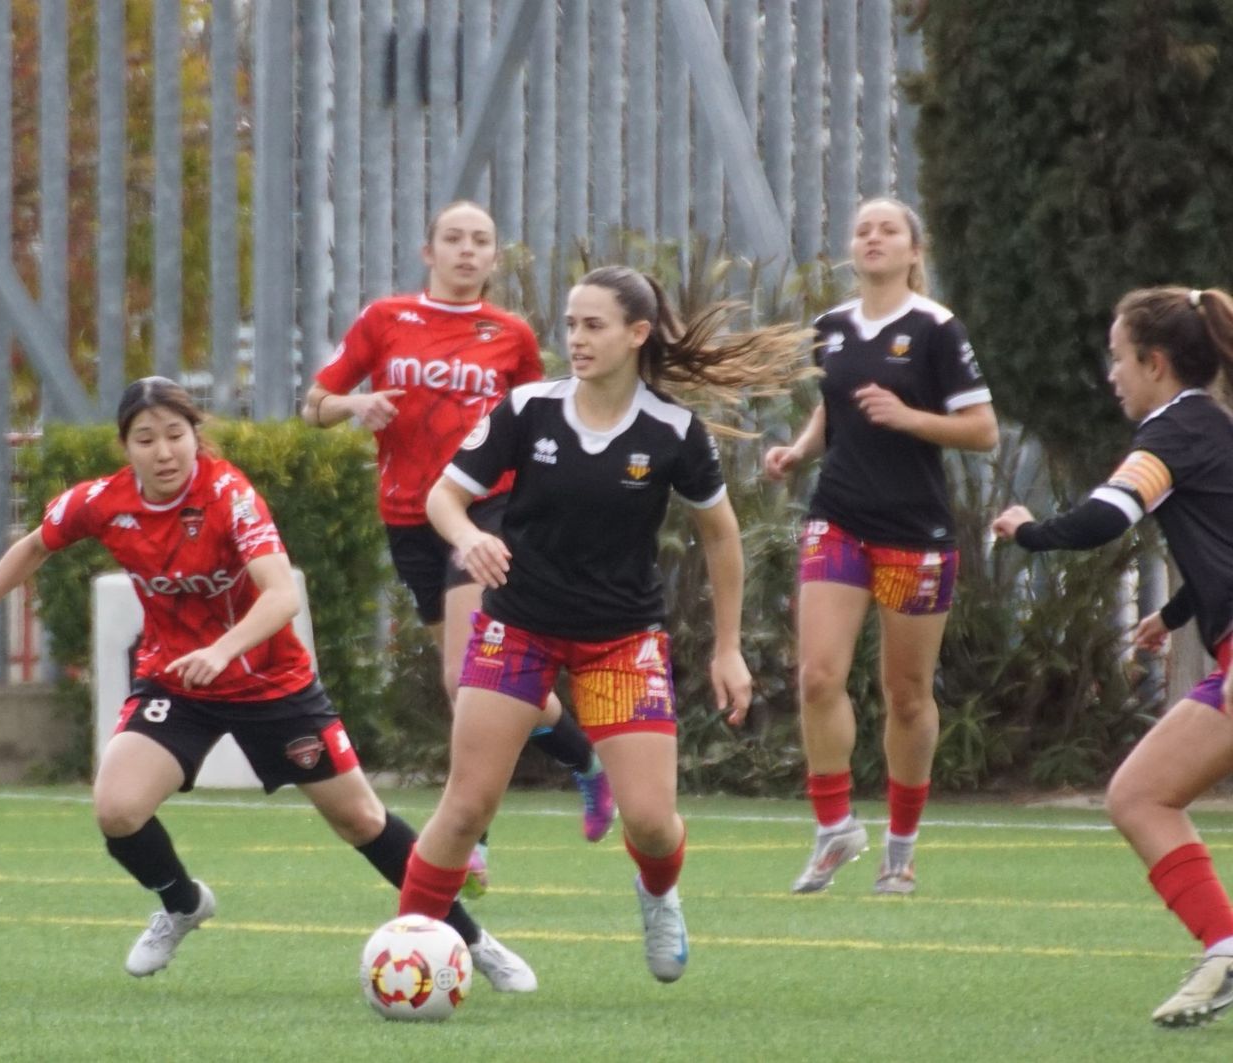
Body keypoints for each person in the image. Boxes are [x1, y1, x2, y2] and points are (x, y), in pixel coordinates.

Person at [0, 376, 535, 992]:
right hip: (177, 684)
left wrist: (223, 651)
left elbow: (278, 596)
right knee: (117, 807)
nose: (164, 451)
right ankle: (182, 902)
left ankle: (472, 940)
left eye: (176, 435)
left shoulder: (228, 496)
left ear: (196, 436)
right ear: (126, 447)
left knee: (360, 819)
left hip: (271, 682)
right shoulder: (103, 501)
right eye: (146, 439)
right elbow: (35, 546)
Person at [395, 265, 806, 983]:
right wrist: (468, 537)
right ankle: (407, 947)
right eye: (571, 324)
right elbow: (443, 498)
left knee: (649, 820)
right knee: (464, 807)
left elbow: (721, 534)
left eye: (594, 325)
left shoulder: (673, 431)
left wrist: (730, 648)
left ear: (637, 334)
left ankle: (658, 894)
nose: (576, 339)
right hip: (518, 627)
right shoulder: (528, 409)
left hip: (620, 639)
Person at [303, 200, 612, 897]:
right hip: (410, 517)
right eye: (454, 239)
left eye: (481, 241)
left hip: (485, 511)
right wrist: (356, 406)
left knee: (462, 678)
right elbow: (313, 404)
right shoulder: (386, 319)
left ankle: (468, 839)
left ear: (494, 258)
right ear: (429, 251)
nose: (467, 250)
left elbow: (541, 425)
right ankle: (586, 761)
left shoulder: (509, 335)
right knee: (498, 685)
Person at [992, 286, 1233, 1027]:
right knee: (1138, 795)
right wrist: (1175, 611)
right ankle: (1224, 947)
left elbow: (1106, 516)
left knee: (1139, 796)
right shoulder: (1215, 429)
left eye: (1117, 357)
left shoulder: (1170, 436)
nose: (1111, 374)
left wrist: (1030, 530)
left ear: (1154, 362)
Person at [763, 197, 999, 896]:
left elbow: (983, 429)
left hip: (915, 532)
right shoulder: (831, 328)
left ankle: (901, 846)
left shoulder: (935, 329)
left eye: (887, 228)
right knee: (816, 675)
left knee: (904, 695)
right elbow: (834, 403)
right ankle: (834, 827)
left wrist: (909, 417)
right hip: (838, 519)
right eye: (862, 228)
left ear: (913, 251)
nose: (872, 237)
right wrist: (801, 450)